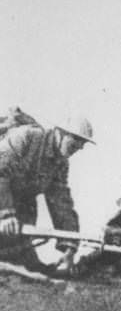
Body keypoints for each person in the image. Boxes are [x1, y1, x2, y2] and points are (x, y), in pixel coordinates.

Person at [0, 115, 95, 274]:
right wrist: (5, 214)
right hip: (4, 205)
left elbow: (62, 202)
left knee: (27, 270)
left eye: (83, 143)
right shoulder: (26, 137)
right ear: (59, 132)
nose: (79, 146)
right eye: (75, 139)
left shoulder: (60, 163)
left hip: (20, 215)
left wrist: (69, 248)